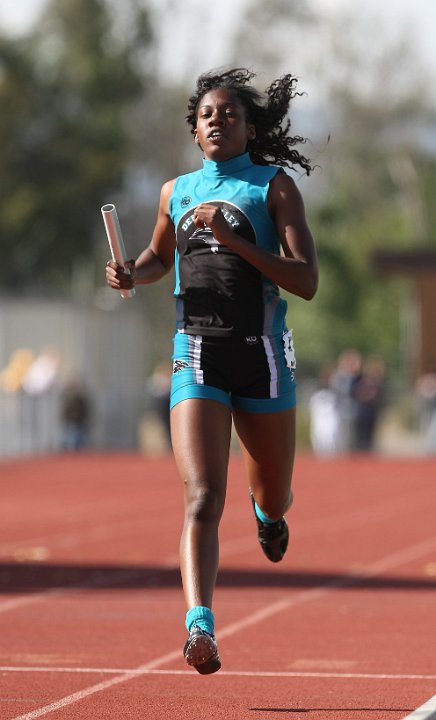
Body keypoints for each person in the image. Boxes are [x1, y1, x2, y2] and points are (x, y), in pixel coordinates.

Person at [106, 67, 318, 674]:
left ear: (251, 127)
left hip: (264, 357)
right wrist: (130, 273)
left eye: (230, 113)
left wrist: (235, 241)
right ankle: (200, 627)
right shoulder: (177, 192)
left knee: (271, 492)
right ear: (195, 132)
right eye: (207, 115)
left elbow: (305, 281)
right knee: (202, 497)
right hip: (195, 352)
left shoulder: (274, 188)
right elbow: (155, 258)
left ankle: (270, 515)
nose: (217, 121)